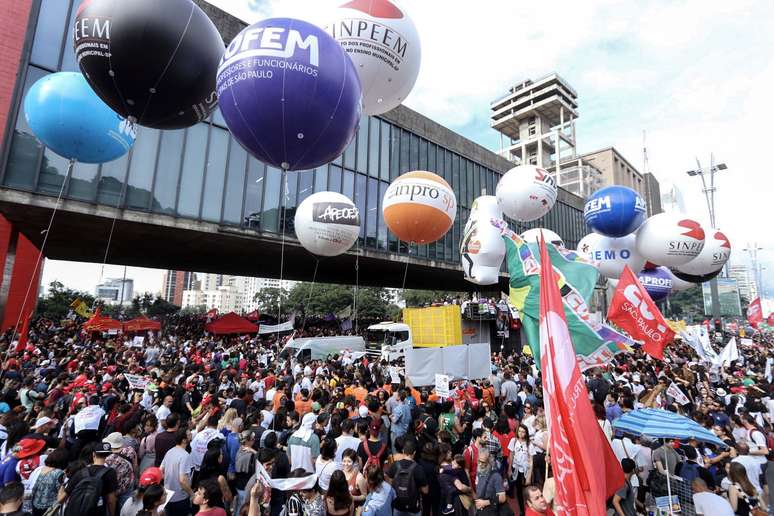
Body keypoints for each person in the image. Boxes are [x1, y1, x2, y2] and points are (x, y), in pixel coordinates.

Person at [387, 438, 428, 516]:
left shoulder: (394, 465)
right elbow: (425, 491)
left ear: (403, 451)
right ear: (414, 453)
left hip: (398, 505)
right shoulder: (418, 468)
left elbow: (389, 484)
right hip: (413, 507)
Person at [160, 429, 194, 516]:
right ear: (184, 440)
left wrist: (169, 480)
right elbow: (183, 480)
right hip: (180, 498)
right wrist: (192, 494)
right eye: (189, 434)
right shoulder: (185, 455)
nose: (191, 434)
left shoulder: (169, 452)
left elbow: (160, 470)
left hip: (167, 496)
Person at [30, 448, 68, 516]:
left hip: (35, 505)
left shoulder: (40, 469)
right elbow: (60, 493)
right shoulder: (59, 473)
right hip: (49, 508)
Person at [473, 448, 505, 516]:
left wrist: (484, 503)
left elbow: (502, 497)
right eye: (479, 461)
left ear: (489, 461)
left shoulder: (496, 476)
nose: (480, 464)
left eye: (483, 462)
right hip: (480, 509)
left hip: (491, 510)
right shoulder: (479, 470)